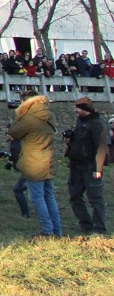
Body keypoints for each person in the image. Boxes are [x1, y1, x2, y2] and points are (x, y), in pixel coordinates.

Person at [10, 92, 62, 237]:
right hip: (47, 160)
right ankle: (57, 231)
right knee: (49, 196)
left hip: (34, 162)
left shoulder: (29, 118)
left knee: (37, 198)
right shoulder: (49, 116)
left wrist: (19, 115)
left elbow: (13, 132)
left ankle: (47, 231)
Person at [65, 96, 107, 235]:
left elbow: (101, 147)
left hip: (90, 167)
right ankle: (86, 225)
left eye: (77, 108)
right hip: (76, 166)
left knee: (95, 198)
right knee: (74, 196)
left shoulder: (97, 124)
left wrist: (98, 169)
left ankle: (100, 228)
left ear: (85, 109)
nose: (75, 110)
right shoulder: (80, 122)